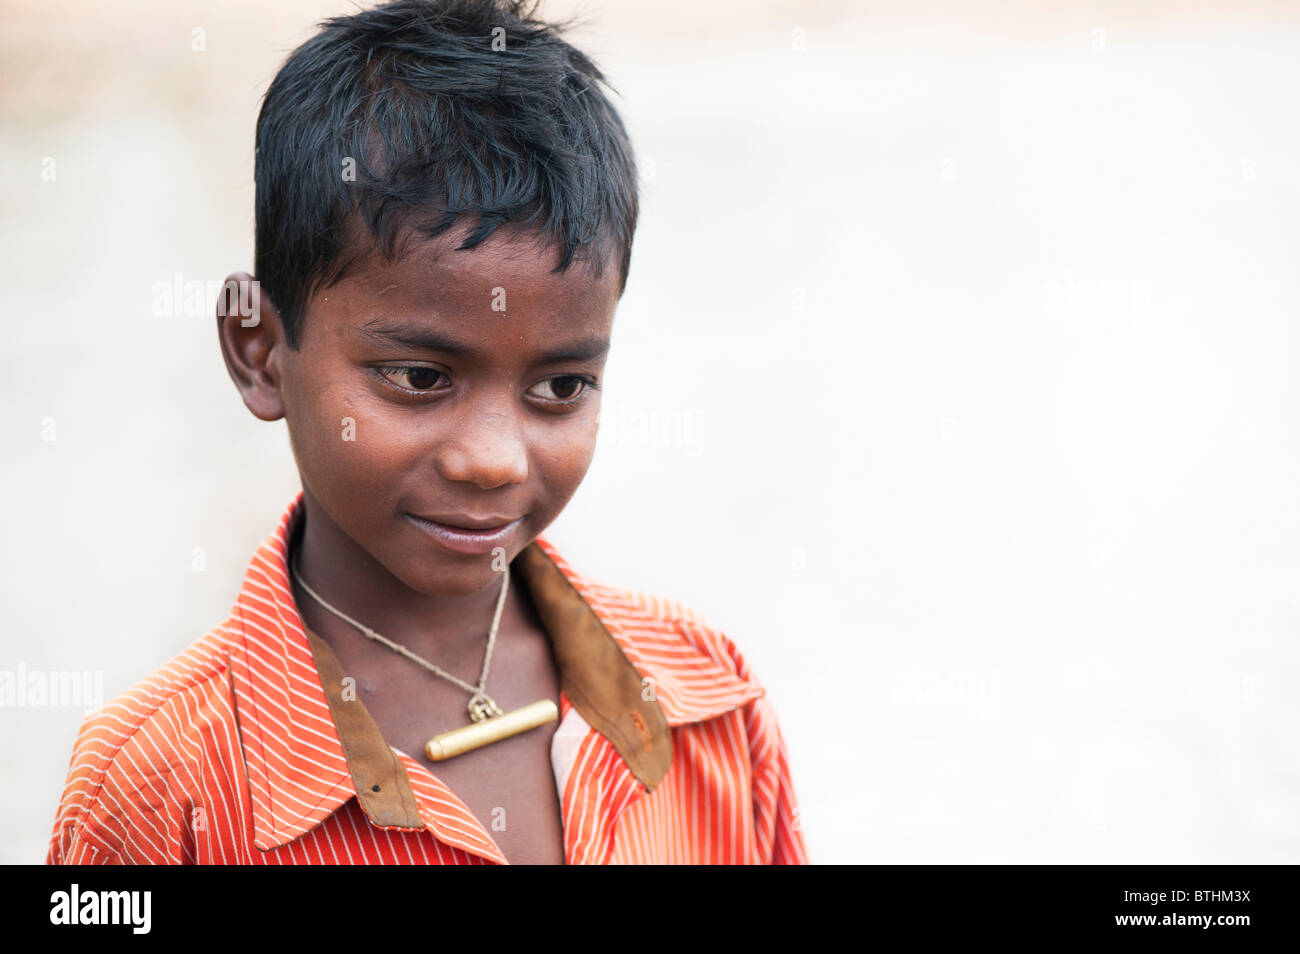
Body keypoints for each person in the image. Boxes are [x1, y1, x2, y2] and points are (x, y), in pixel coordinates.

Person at [46, 0, 808, 865]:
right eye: (418, 378)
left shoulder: (705, 699)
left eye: (562, 386)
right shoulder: (161, 785)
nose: (493, 459)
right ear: (259, 353)